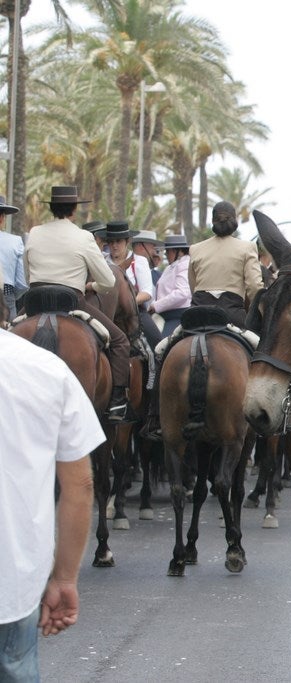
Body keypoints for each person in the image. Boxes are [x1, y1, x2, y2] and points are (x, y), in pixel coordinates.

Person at [0, 326, 101, 681]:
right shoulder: (49, 368)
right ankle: (120, 398)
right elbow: (81, 483)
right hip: (12, 580)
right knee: (123, 343)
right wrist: (65, 577)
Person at [23, 186, 131, 420]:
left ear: (51, 208)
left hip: (34, 301)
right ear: (74, 210)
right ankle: (117, 403)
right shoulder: (84, 237)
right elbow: (109, 280)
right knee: (121, 341)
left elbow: (26, 275)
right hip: (71, 302)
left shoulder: (35, 232)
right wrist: (91, 287)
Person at [188, 201, 263, 329]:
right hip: (231, 313)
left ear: (213, 221)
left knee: (169, 342)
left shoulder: (195, 249)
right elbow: (254, 286)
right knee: (258, 344)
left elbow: (193, 285)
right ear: (235, 220)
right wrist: (260, 312)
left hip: (197, 312)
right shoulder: (247, 248)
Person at [102, 222, 160, 348]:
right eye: (111, 242)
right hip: (106, 312)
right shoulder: (101, 261)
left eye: (118, 241)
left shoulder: (139, 261)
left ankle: (155, 366)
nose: (114, 245)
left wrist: (124, 303)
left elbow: (146, 293)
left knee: (156, 340)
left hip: (134, 311)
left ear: (127, 241)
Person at [150, 234, 191, 338]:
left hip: (177, 316)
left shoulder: (184, 265)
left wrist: (156, 306)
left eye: (169, 251)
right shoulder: (171, 267)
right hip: (164, 315)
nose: (166, 255)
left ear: (178, 251)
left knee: (162, 345)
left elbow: (182, 293)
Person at [0, 195, 26, 315]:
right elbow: (22, 283)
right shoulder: (15, 242)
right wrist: (10, 296)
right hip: (6, 298)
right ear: (1, 218)